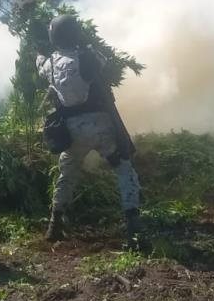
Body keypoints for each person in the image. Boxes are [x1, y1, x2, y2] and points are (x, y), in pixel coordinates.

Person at [36, 14, 142, 245]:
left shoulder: (50, 64)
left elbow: (40, 66)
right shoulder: (89, 56)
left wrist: (39, 53)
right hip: (101, 126)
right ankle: (133, 226)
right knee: (123, 168)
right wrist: (85, 44)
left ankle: (55, 223)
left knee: (67, 175)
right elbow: (103, 63)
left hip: (71, 131)